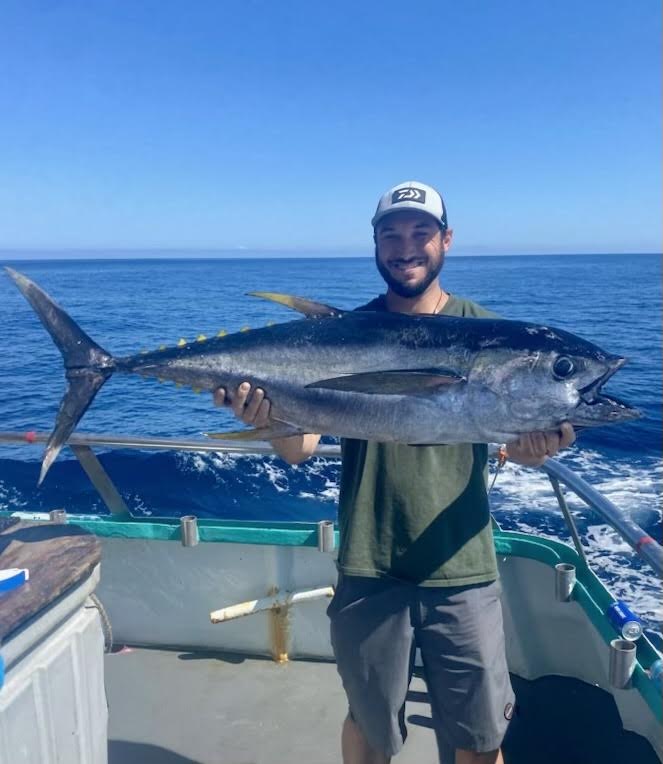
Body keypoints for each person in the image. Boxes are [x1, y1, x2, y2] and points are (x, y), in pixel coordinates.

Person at [213, 180, 576, 764]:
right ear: (376, 245)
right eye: (392, 234)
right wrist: (268, 416)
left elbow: (509, 443)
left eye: (421, 233)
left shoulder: (487, 331)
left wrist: (531, 449)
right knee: (370, 729)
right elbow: (299, 450)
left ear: (446, 241)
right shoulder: (340, 331)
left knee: (482, 741)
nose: (406, 247)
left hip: (462, 566)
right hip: (369, 563)